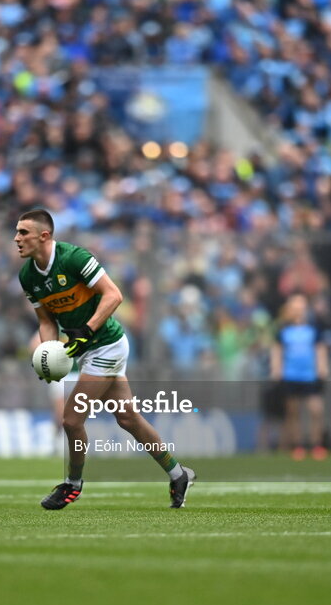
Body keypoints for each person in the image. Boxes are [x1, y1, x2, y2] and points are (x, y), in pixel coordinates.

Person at [15, 209, 196, 509]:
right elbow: (46, 320)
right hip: (86, 349)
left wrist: (87, 330)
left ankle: (73, 485)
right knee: (128, 419)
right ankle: (178, 474)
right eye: (16, 232)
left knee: (71, 420)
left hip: (107, 345)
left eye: (23, 232)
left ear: (44, 236)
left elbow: (114, 295)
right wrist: (48, 352)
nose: (16, 238)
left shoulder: (74, 258)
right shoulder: (28, 276)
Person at [269, 294, 329, 460]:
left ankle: (317, 444)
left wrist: (322, 368)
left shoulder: (313, 330)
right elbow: (277, 350)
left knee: (316, 410)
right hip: (291, 375)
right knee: (293, 411)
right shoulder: (283, 331)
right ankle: (298, 445)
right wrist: (276, 369)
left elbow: (320, 349)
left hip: (310, 376)